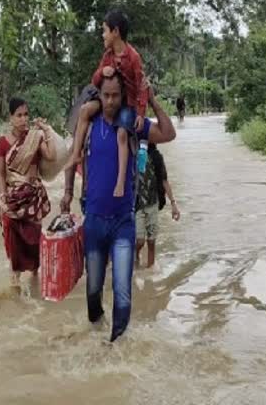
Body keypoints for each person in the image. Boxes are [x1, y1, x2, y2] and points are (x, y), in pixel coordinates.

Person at [61, 70, 176, 342]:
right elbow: (72, 157)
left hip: (123, 222)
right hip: (94, 221)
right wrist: (67, 192)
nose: (111, 101)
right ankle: (96, 332)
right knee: (93, 289)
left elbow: (168, 133)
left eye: (115, 95)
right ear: (99, 96)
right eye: (106, 95)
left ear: (123, 96)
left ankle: (118, 347)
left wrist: (152, 101)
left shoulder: (132, 125)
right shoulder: (89, 124)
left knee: (123, 289)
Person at [67, 10, 149, 198]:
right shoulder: (107, 55)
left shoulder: (134, 57)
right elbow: (95, 80)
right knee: (85, 110)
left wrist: (141, 113)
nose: (103, 35)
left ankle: (121, 181)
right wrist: (102, 71)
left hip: (125, 103)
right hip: (104, 99)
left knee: (122, 133)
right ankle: (76, 153)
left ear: (116, 32)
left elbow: (141, 85)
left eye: (104, 31)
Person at [0, 97, 57, 290]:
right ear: (11, 118)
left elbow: (52, 156)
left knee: (33, 248)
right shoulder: (3, 143)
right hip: (13, 202)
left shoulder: (35, 137)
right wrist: (3, 198)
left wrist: (46, 130)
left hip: (32, 200)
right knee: (14, 251)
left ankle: (35, 288)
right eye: (19, 115)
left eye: (26, 114)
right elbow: (0, 173)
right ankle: (15, 291)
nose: (23, 119)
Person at [135, 143, 180, 268]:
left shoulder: (156, 156)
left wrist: (173, 204)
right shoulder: (132, 153)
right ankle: (135, 254)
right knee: (139, 240)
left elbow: (164, 181)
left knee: (151, 241)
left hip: (153, 203)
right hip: (137, 205)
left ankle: (149, 271)